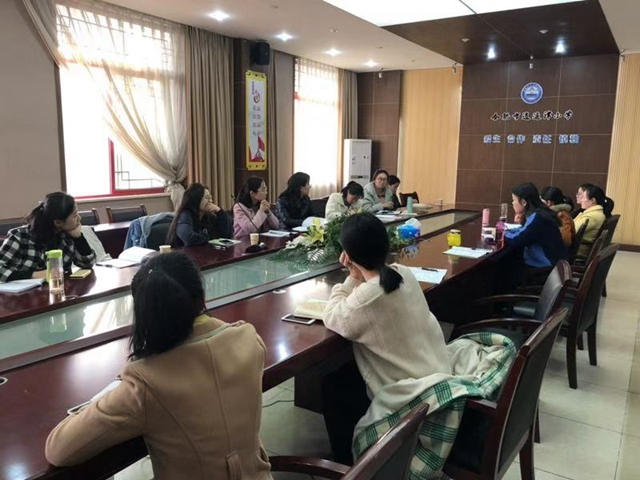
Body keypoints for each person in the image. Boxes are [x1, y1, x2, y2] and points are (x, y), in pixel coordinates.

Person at [45, 252, 272, 479]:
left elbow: (59, 449)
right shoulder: (249, 339)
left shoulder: (145, 381)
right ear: (202, 296)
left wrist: (100, 400)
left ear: (143, 314)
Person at [321, 213, 450, 464]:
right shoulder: (404, 273)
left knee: (333, 385)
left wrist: (352, 277)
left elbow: (332, 315)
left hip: (411, 397)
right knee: (345, 377)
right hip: (434, 371)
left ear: (349, 255)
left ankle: (348, 465)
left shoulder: (366, 297)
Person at [0, 192, 96, 283]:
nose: (79, 218)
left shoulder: (66, 236)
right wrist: (34, 274)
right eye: (75, 215)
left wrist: (78, 238)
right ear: (58, 222)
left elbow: (88, 264)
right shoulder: (19, 236)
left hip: (59, 290)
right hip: (23, 293)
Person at [504, 183, 566, 268]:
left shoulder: (538, 217)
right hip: (553, 264)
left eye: (513, 200)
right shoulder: (541, 213)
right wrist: (507, 231)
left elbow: (517, 240)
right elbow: (524, 229)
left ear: (524, 202)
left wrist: (502, 234)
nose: (512, 203)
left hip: (546, 268)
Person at [167, 183, 233, 248]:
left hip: (202, 252)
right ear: (196, 199)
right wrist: (210, 237)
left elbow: (225, 235)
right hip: (182, 253)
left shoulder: (208, 216)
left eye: (210, 198)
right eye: (207, 198)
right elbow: (189, 238)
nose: (211, 201)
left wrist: (220, 212)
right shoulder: (184, 215)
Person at [574, 183, 614, 258]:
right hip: (580, 248)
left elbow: (572, 232)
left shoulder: (591, 216)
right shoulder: (596, 213)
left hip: (577, 251)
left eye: (583, 197)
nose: (581, 200)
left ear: (592, 200)